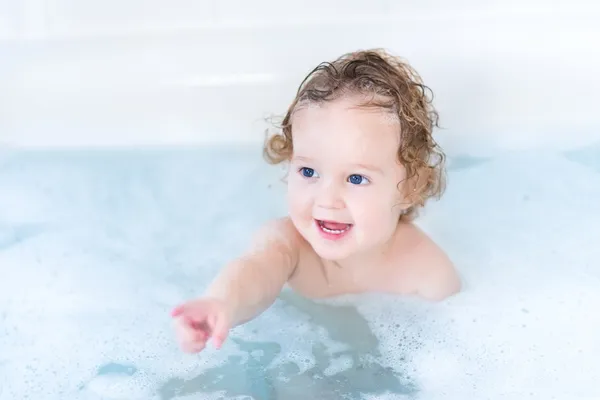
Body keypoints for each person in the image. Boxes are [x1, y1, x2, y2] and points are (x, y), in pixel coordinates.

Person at [171, 48, 461, 353]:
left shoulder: (428, 271)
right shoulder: (288, 244)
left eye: (356, 178)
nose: (327, 200)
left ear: (409, 189)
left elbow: (447, 352)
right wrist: (221, 303)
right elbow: (255, 272)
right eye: (309, 171)